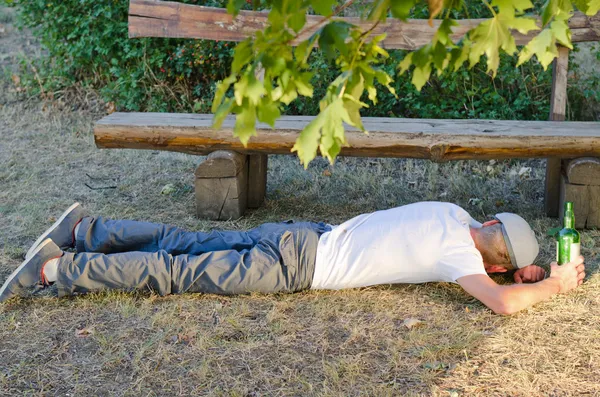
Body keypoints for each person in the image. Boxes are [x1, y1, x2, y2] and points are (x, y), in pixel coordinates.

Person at [0, 202, 585, 314]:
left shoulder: (453, 215)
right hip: (301, 268)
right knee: (180, 273)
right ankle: (57, 269)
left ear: (490, 223)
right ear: (501, 258)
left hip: (303, 235)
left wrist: (513, 266)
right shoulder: (458, 255)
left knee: (188, 243)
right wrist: (554, 285)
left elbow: (497, 272)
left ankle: (89, 230)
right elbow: (504, 304)